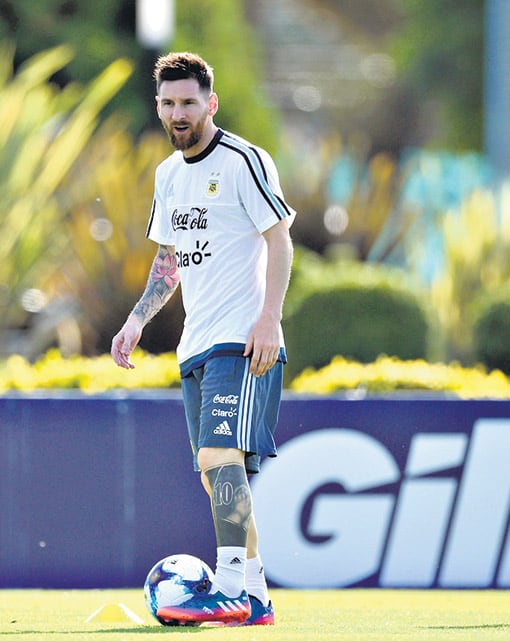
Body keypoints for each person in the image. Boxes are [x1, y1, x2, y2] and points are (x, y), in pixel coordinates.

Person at [111, 52, 295, 626]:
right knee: (218, 472)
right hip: (193, 343)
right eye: (168, 103)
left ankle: (232, 588)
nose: (178, 112)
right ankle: (257, 595)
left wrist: (269, 318)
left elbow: (280, 240)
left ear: (210, 103)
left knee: (221, 457)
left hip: (240, 339)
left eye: (189, 101)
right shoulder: (168, 175)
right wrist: (139, 317)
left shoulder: (244, 159)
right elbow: (169, 258)